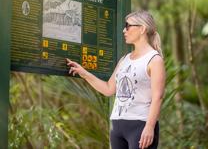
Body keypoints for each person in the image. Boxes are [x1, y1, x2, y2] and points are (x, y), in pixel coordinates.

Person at [67, 10, 166, 149]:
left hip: (140, 125)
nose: (124, 30)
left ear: (142, 29)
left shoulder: (154, 60)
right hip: (117, 126)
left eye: (128, 26)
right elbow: (108, 89)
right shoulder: (124, 59)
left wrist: (149, 127)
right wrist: (83, 73)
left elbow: (158, 97)